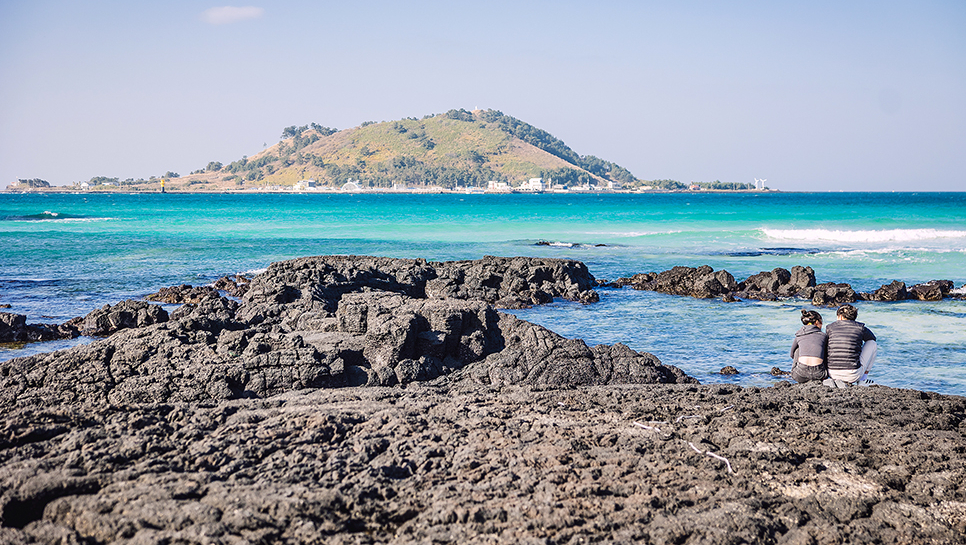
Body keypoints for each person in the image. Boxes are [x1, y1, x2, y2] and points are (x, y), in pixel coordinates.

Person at [824, 304, 877, 387]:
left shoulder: (829, 327)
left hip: (832, 373)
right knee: (872, 343)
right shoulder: (860, 327)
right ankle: (863, 379)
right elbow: (872, 338)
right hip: (853, 375)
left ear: (840, 317)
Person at [789, 309, 828, 383]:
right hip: (819, 374)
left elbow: (792, 354)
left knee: (798, 349)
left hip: (800, 375)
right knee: (823, 348)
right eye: (821, 322)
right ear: (817, 322)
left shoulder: (799, 335)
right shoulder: (823, 336)